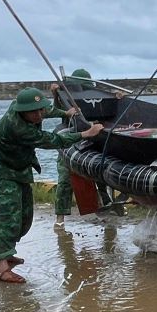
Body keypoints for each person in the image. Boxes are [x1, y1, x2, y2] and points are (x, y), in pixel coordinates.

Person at [0, 86, 103, 283]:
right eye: (35, 111)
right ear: (23, 111)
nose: (40, 114)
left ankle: (6, 252)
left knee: (24, 215)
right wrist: (86, 134)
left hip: (19, 166)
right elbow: (52, 140)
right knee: (7, 214)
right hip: (1, 169)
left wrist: (65, 112)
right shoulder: (17, 127)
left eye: (41, 110)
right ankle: (1, 267)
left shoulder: (27, 108)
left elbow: (47, 110)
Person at [51, 69, 119, 227]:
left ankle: (106, 209)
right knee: (65, 181)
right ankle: (60, 219)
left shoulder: (95, 99)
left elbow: (110, 113)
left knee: (101, 178)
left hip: (94, 142)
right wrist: (56, 94)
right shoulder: (65, 98)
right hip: (70, 144)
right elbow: (56, 110)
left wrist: (117, 98)